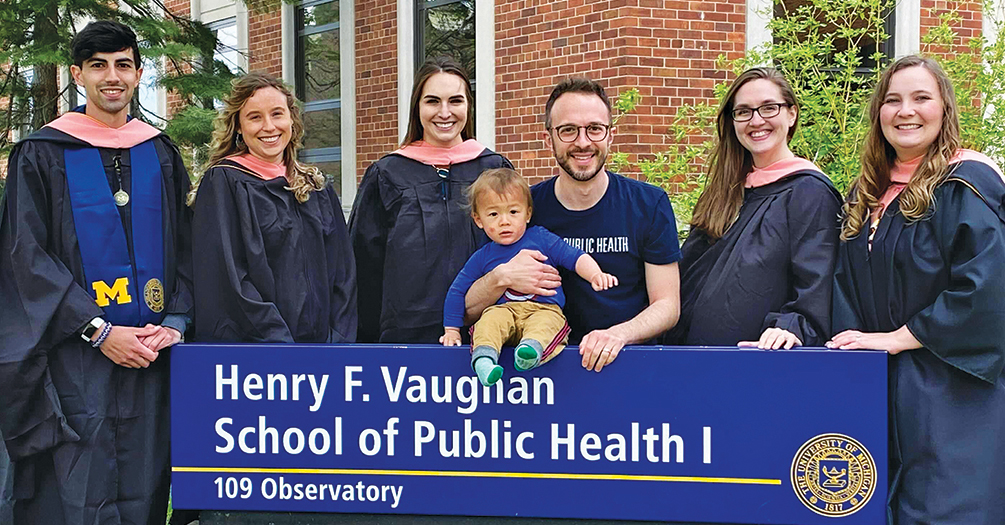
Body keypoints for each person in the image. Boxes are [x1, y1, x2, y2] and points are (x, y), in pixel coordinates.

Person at [0, 20, 192, 525]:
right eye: (99, 65)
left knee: (146, 483)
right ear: (78, 74)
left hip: (152, 356)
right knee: (78, 485)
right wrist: (98, 329)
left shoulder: (159, 151)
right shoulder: (42, 153)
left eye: (123, 65)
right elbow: (26, 256)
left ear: (138, 74)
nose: (112, 76)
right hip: (76, 360)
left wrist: (176, 320)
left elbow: (191, 250)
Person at [827, 55, 1005, 524]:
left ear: (944, 109)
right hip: (877, 391)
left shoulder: (966, 184)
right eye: (892, 100)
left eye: (921, 98)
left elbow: (987, 287)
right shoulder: (867, 193)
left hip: (952, 394)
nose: (906, 111)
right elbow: (841, 285)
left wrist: (897, 338)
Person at [464, 78, 682, 372]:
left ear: (610, 135)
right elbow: (467, 311)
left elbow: (668, 305)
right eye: (568, 130)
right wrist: (499, 278)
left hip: (627, 367)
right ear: (548, 139)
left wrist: (619, 334)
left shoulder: (648, 204)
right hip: (538, 375)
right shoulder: (522, 210)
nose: (582, 142)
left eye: (594, 128)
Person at [662, 68, 842, 349]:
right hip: (693, 358)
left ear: (791, 114)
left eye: (769, 108)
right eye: (744, 111)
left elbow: (818, 281)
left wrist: (793, 326)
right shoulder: (725, 191)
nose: (756, 120)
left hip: (760, 363)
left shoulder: (809, 192)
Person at [349, 56, 512, 343]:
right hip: (404, 336)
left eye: (456, 101)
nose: (445, 112)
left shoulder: (494, 170)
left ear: (468, 106)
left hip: (485, 333)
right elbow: (363, 268)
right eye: (433, 101)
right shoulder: (388, 174)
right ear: (418, 107)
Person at [189, 73, 356, 343]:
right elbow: (230, 280)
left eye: (277, 114)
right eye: (255, 117)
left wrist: (337, 341)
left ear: (291, 119)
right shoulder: (225, 182)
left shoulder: (315, 187)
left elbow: (344, 275)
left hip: (324, 352)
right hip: (260, 356)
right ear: (239, 127)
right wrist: (279, 346)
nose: (269, 127)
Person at [440, 168, 618, 385]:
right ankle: (484, 360)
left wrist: (595, 274)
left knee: (548, 324)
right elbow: (457, 290)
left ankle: (530, 353)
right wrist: (451, 330)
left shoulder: (541, 238)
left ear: (528, 213)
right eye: (493, 214)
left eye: (513, 212)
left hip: (543, 309)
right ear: (478, 220)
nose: (504, 221)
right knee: (488, 321)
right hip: (503, 310)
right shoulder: (483, 256)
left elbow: (574, 257)